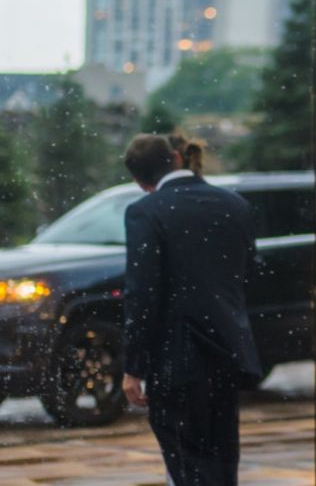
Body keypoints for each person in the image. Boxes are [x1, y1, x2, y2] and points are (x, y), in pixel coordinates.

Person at [121, 134, 262, 485]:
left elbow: (143, 293)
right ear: (177, 157)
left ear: (140, 181)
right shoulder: (234, 204)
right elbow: (248, 277)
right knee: (221, 462)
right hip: (228, 353)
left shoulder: (146, 211)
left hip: (176, 360)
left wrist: (134, 367)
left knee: (188, 467)